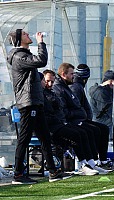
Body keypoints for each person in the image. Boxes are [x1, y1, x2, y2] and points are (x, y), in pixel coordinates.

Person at [7, 29, 70, 184]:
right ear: (18, 40)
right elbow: (41, 60)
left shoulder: (24, 55)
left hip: (36, 102)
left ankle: (53, 172)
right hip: (28, 103)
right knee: (25, 138)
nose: (29, 36)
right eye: (25, 35)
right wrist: (41, 42)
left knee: (45, 138)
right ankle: (18, 174)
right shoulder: (19, 56)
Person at [42, 70, 105, 175]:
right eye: (47, 81)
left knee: (85, 132)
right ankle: (83, 164)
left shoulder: (52, 92)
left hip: (59, 123)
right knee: (77, 134)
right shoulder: (43, 94)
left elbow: (60, 110)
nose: (50, 84)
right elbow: (49, 113)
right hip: (52, 127)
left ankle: (91, 162)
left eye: (52, 82)